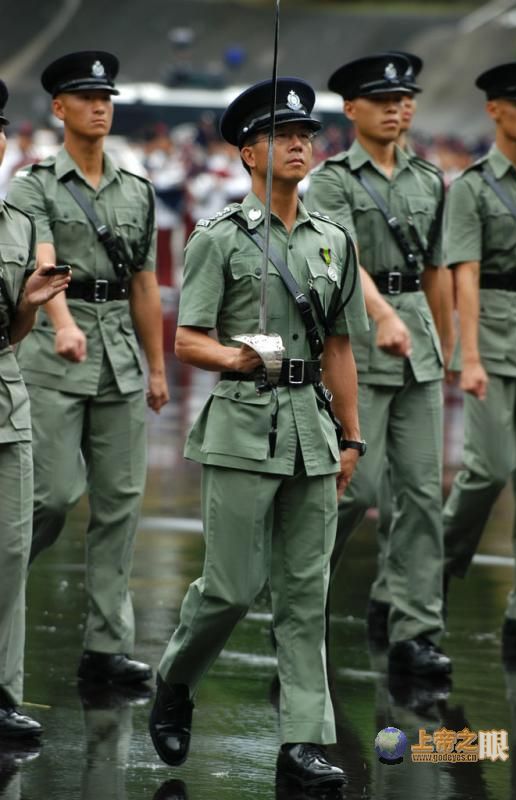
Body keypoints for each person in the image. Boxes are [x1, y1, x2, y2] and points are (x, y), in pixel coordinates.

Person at [149, 77, 367, 788]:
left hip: (312, 430)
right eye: (282, 137)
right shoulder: (219, 239)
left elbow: (339, 346)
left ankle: (303, 742)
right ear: (248, 153)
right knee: (232, 588)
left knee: (306, 596)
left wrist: (352, 438)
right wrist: (238, 355)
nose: (300, 145)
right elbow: (188, 342)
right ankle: (176, 678)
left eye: (306, 135)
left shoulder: (335, 239)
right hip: (243, 426)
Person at [7, 51, 169, 686]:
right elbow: (38, 262)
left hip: (122, 361)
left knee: (121, 504)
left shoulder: (137, 191)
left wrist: (158, 367)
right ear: (59, 107)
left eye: (107, 96)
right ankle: (1, 600)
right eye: (86, 96)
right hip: (53, 355)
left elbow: (146, 285)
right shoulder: (34, 183)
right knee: (47, 497)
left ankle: (106, 647)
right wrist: (65, 325)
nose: (100, 105)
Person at [306, 53, 452, 676]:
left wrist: (448, 346)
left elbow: (436, 269)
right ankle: (302, 607)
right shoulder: (333, 179)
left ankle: (415, 628)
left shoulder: (428, 177)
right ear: (351, 108)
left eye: (405, 98)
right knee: (353, 490)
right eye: (383, 99)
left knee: (420, 494)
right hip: (361, 345)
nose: (398, 108)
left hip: (418, 347)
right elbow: (342, 259)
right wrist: (384, 316)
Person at [442, 62, 516, 655]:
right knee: (489, 470)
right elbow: (465, 278)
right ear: (494, 110)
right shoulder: (474, 187)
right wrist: (467, 356)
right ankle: (427, 579)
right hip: (493, 346)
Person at [0, 79, 72, 738]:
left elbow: (13, 335)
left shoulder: (17, 226)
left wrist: (30, 304)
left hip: (4, 400)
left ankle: (2, 691)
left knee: (11, 546)